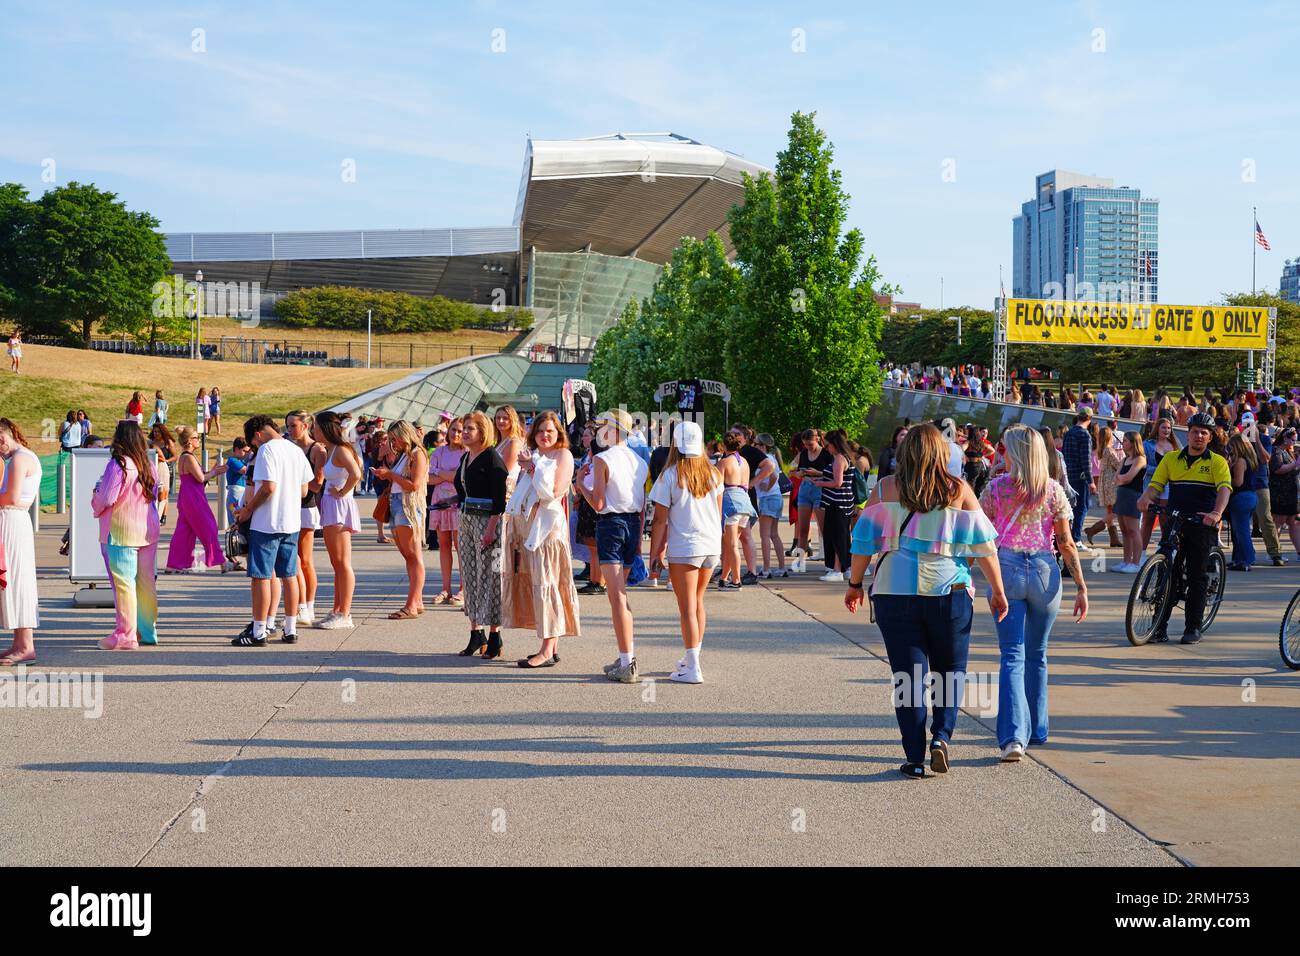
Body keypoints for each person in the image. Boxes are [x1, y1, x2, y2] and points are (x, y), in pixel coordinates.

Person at [844, 424, 1007, 778]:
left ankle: (914, 756)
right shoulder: (958, 490)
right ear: (941, 453)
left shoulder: (885, 489)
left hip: (894, 593)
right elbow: (983, 547)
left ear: (903, 454)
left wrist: (855, 584)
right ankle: (942, 738)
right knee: (949, 671)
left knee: (908, 677)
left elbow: (862, 542)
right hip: (949, 592)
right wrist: (998, 590)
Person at [979, 425, 1087, 761]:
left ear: (1013, 453)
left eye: (1004, 449)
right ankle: (1038, 728)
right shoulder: (1053, 491)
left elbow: (980, 536)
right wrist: (1081, 587)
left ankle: (1014, 737)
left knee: (1012, 654)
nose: (1001, 453)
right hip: (1044, 571)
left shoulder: (996, 488)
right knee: (1038, 653)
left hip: (1007, 568)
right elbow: (1066, 542)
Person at [1137, 413, 1231, 644]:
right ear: (1187, 434)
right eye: (1194, 431)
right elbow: (1155, 485)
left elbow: (1224, 489)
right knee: (1165, 571)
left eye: (1203, 433)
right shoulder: (1171, 459)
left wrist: (1216, 513)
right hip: (1175, 520)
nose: (1198, 436)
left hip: (1201, 522)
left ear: (1209, 438)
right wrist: (1146, 498)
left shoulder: (1217, 462)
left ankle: (1193, 627)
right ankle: (1158, 627)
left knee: (1197, 575)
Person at [648, 420, 723, 684]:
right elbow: (717, 509)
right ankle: (692, 658)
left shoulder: (670, 475)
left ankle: (693, 666)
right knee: (698, 602)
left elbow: (659, 521)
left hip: (686, 546)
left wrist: (654, 553)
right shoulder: (713, 473)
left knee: (687, 608)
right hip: (711, 544)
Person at [505, 410, 581, 669]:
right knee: (540, 585)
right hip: (527, 530)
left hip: (547, 531)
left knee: (548, 586)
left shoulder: (563, 455)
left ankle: (547, 650)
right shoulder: (534, 456)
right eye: (539, 431)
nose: (544, 435)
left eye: (549, 431)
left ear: (558, 433)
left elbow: (553, 494)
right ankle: (551, 646)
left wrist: (532, 468)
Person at [578, 408, 648, 684]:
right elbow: (641, 505)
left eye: (601, 427)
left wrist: (578, 484)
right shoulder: (638, 460)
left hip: (611, 524)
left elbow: (597, 503)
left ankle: (627, 661)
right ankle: (624, 657)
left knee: (616, 596)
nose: (597, 432)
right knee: (620, 596)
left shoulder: (602, 459)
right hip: (631, 525)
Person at [234, 416, 313, 646]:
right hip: (291, 521)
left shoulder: (267, 450)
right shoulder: (295, 449)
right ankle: (290, 627)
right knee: (289, 575)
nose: (255, 447)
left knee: (261, 577)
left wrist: (247, 510)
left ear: (258, 435)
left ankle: (259, 630)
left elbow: (268, 487)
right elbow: (304, 490)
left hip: (267, 522)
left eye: (254, 443)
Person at [92, 421, 162, 650]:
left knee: (124, 584)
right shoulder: (148, 464)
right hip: (147, 530)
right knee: (145, 583)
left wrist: (95, 497)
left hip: (121, 530)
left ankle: (125, 634)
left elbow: (106, 499)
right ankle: (147, 631)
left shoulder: (118, 464)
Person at [453, 411, 507, 658]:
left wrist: (490, 529)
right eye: (464, 428)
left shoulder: (492, 458)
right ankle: (476, 632)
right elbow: (464, 490)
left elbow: (499, 499)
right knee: (471, 576)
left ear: (482, 431)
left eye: (470, 429)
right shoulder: (466, 457)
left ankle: (495, 635)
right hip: (466, 520)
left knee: (491, 578)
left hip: (488, 522)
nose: (465, 432)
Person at [372, 420, 427, 620]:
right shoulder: (405, 454)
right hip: (397, 503)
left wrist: (390, 475)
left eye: (395, 438)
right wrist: (387, 474)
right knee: (409, 556)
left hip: (408, 507)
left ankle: (412, 604)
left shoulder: (417, 454)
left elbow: (414, 484)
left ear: (405, 435)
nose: (393, 442)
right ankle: (416, 601)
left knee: (413, 556)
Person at [312, 411, 363, 629]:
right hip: (331, 505)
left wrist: (342, 492)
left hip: (339, 506)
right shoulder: (330, 450)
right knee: (336, 563)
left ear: (325, 428)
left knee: (342, 562)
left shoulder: (341, 450)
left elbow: (356, 474)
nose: (314, 431)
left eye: (316, 427)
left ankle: (345, 613)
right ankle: (337, 609)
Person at [0, 419, 41, 665]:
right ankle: (19, 643)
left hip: (13, 522)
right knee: (14, 581)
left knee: (17, 581)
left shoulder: (19, 459)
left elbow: (11, 497)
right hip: (13, 522)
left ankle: (25, 645)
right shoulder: (20, 457)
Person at [164, 426, 228, 572]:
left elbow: (197, 477)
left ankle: (173, 564)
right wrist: (214, 472)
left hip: (188, 496)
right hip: (194, 498)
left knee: (184, 531)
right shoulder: (188, 457)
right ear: (189, 441)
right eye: (196, 438)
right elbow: (200, 478)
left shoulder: (185, 456)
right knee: (209, 527)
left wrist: (212, 472)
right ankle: (222, 562)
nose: (198, 440)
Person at [286, 411, 326, 626]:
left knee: (304, 560)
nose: (290, 430)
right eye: (288, 426)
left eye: (294, 425)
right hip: (290, 506)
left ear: (306, 425)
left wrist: (294, 479)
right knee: (294, 560)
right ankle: (300, 604)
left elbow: (318, 484)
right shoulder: (289, 448)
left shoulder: (316, 449)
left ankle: (308, 605)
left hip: (306, 507)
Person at [427, 416, 466, 606]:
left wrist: (440, 473)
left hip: (458, 503)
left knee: (460, 546)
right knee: (443, 545)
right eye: (454, 430)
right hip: (440, 501)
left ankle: (463, 588)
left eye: (460, 430)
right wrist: (448, 476)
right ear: (447, 431)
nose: (457, 434)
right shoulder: (438, 452)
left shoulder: (466, 453)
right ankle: (446, 587)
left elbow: (461, 479)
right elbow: (428, 478)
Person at [812, 429, 856, 583]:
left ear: (834, 444)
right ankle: (847, 568)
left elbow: (837, 483)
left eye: (828, 445)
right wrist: (820, 476)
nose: (826, 448)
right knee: (843, 536)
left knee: (837, 537)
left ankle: (837, 570)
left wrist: (820, 483)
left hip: (837, 503)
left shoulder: (838, 459)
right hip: (842, 503)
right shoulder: (844, 458)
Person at [716, 431, 756, 589]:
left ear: (725, 446)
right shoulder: (744, 461)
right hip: (745, 502)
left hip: (731, 502)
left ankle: (736, 580)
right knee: (729, 544)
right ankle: (724, 577)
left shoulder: (724, 462)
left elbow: (717, 487)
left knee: (731, 545)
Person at [1246, 408, 1284, 566]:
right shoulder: (1239, 439)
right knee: (1241, 522)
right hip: (1244, 484)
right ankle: (1245, 554)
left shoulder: (1265, 439)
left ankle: (1275, 553)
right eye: (1245, 423)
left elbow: (1265, 459)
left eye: (1250, 423)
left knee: (1265, 519)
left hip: (1260, 484)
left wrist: (1257, 439)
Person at [573, 422, 605, 595]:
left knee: (596, 548)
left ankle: (599, 581)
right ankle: (594, 580)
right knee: (593, 549)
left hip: (593, 507)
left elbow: (588, 484)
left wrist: (579, 483)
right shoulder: (593, 464)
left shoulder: (596, 465)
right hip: (588, 505)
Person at [792, 428, 830, 562]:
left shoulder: (826, 453)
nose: (808, 447)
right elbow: (794, 470)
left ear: (818, 439)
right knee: (803, 528)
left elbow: (833, 473)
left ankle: (829, 560)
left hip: (820, 489)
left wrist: (817, 473)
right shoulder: (803, 453)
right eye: (806, 445)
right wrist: (799, 474)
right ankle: (800, 561)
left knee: (823, 526)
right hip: (805, 488)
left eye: (810, 444)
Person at [753, 432, 788, 578]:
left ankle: (766, 569)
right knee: (774, 534)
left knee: (765, 535)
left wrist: (766, 487)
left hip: (768, 498)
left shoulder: (765, 459)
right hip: (776, 497)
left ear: (762, 446)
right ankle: (782, 567)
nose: (754, 447)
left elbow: (773, 476)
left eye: (756, 444)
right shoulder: (772, 458)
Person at [1141, 417, 1178, 550]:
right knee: (1148, 520)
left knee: (1165, 520)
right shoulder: (1148, 444)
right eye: (1163, 427)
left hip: (1168, 486)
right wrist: (1160, 471)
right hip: (1151, 485)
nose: (1166, 430)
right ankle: (1141, 554)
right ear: (1157, 428)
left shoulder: (1174, 446)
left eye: (1169, 428)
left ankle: (1166, 549)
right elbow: (1143, 465)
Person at [1111, 432, 1147, 572]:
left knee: (1133, 530)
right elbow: (1116, 478)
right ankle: (1126, 561)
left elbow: (1128, 478)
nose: (1123, 443)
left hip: (1133, 496)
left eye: (1125, 441)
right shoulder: (1125, 459)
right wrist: (1121, 478)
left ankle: (1136, 563)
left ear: (1133, 442)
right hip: (1122, 495)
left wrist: (1121, 478)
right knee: (1125, 531)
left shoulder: (1140, 459)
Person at [1084, 424, 1123, 548]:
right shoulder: (1109, 450)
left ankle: (1114, 539)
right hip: (1111, 482)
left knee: (1110, 510)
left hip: (1104, 481)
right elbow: (1117, 465)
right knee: (1118, 510)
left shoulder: (1102, 450)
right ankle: (1093, 529)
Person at [1225, 432, 1259, 572]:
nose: (1230, 449)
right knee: (1239, 530)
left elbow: (1238, 482)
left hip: (1241, 498)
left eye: (1232, 446)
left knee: (1241, 531)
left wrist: (1225, 481)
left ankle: (1246, 560)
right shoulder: (1250, 459)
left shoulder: (1240, 461)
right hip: (1250, 496)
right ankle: (1239, 559)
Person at [1061, 409, 1095, 545]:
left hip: (1068, 475)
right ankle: (1076, 538)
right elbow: (1086, 460)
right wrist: (1090, 481)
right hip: (1080, 477)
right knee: (1082, 507)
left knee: (1070, 507)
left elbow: (1064, 454)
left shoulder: (1068, 433)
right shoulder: (1084, 435)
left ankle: (1068, 535)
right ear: (1089, 418)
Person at [1270, 427, 1300, 558]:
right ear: (1285, 438)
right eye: (1292, 440)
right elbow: (1278, 469)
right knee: (1279, 522)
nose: (1294, 443)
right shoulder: (1276, 451)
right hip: (1280, 493)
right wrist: (1296, 464)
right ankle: (1274, 552)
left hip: (1291, 494)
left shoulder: (1286, 452)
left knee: (1294, 522)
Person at [224, 437, 250, 526]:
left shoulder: (244, 461)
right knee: (237, 518)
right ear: (236, 449)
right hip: (235, 494)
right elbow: (245, 470)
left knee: (241, 519)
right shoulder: (232, 460)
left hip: (241, 493)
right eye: (244, 451)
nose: (247, 454)